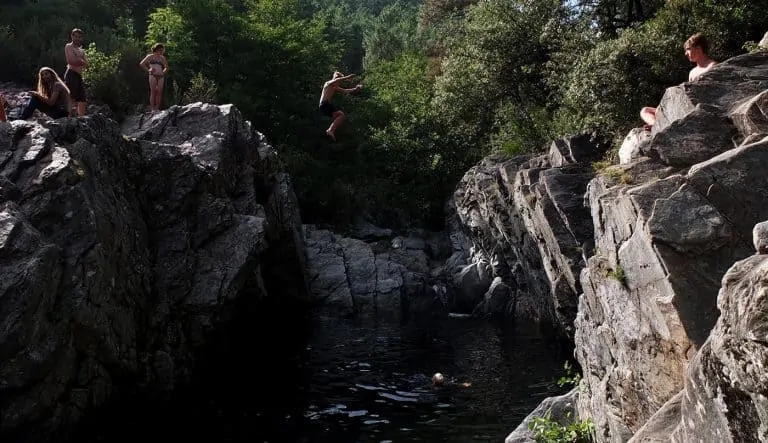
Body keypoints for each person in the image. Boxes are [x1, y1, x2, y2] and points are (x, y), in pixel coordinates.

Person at [640, 33, 718, 128]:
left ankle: (658, 126)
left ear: (699, 48)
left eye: (688, 49)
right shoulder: (692, 72)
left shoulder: (712, 66)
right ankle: (654, 126)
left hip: (698, 107)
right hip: (684, 104)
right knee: (645, 111)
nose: (686, 53)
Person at [318, 71, 363, 141]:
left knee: (341, 116)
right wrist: (347, 77)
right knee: (341, 114)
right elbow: (336, 80)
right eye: (336, 78)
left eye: (339, 81)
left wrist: (355, 89)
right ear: (334, 78)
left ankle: (330, 130)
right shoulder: (327, 83)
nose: (337, 82)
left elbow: (345, 91)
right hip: (324, 105)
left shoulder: (335, 87)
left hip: (326, 106)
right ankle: (330, 130)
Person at [64, 28, 88, 117]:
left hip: (79, 75)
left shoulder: (81, 50)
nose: (77, 38)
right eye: (75, 36)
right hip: (71, 73)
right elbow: (71, 61)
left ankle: (81, 119)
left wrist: (80, 60)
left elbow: (87, 64)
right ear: (72, 36)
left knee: (82, 99)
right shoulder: (68, 46)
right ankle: (69, 117)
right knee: (71, 97)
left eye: (79, 37)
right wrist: (81, 61)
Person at [139, 43, 169, 112]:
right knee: (153, 92)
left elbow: (166, 68)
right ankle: (152, 108)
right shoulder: (150, 56)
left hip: (161, 76)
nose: (162, 52)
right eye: (160, 50)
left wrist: (163, 73)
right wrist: (149, 69)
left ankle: (157, 108)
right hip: (153, 75)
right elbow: (141, 64)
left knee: (159, 92)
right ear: (156, 49)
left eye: (162, 50)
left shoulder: (162, 58)